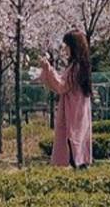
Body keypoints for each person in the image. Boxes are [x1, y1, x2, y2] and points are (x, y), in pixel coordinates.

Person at [37, 29, 93, 169]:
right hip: (78, 112)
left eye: (67, 46)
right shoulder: (80, 66)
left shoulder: (76, 67)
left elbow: (62, 86)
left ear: (74, 47)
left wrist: (49, 69)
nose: (65, 49)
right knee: (78, 145)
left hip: (73, 113)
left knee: (73, 146)